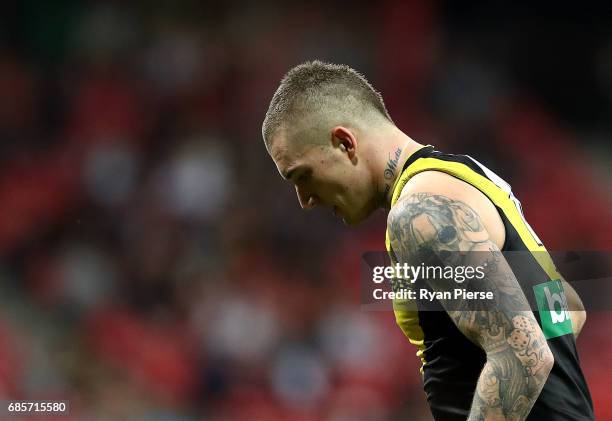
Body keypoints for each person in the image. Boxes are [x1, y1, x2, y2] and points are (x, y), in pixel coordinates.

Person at [261, 60, 594, 420]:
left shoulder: (420, 214)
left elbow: (523, 358)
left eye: (302, 176)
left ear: (345, 142)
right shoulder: (465, 177)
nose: (305, 200)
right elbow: (567, 307)